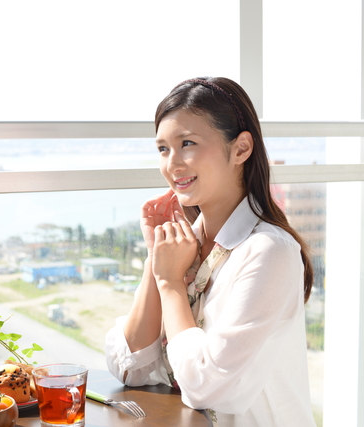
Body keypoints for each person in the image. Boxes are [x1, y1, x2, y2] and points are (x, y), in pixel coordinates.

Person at [105, 77, 315, 426]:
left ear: (241, 149)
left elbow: (206, 386)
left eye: (187, 143)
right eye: (162, 149)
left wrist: (171, 282)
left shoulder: (268, 251)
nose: (172, 165)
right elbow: (129, 369)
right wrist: (157, 259)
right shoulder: (187, 244)